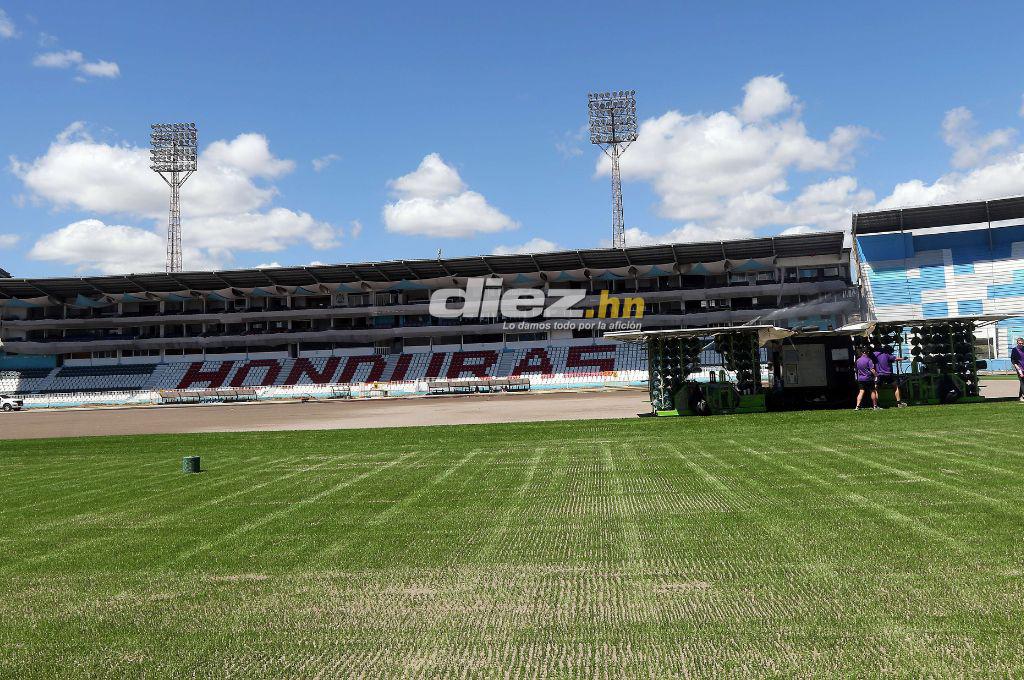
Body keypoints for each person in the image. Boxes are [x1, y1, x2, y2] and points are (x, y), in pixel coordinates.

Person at [1011, 337, 1024, 403]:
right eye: (1020, 343)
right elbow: (1013, 360)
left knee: (1023, 383)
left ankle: (1020, 396)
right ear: (1017, 343)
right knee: (1022, 382)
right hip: (1019, 368)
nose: (1021, 344)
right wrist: (1018, 368)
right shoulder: (1014, 350)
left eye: (1022, 343)